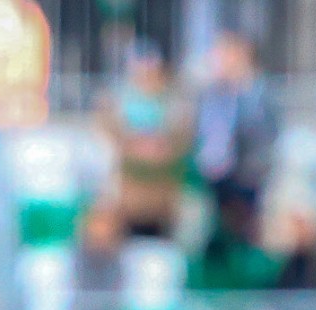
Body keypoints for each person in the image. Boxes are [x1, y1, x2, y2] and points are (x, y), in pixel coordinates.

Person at [99, 41, 189, 240]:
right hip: (131, 188)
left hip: (162, 189)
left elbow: (180, 137)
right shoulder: (121, 99)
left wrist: (159, 147)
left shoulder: (172, 102)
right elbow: (111, 130)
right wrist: (133, 145)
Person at [193, 31, 275, 245]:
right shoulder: (212, 94)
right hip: (213, 178)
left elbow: (261, 134)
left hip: (247, 178)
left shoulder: (258, 92)